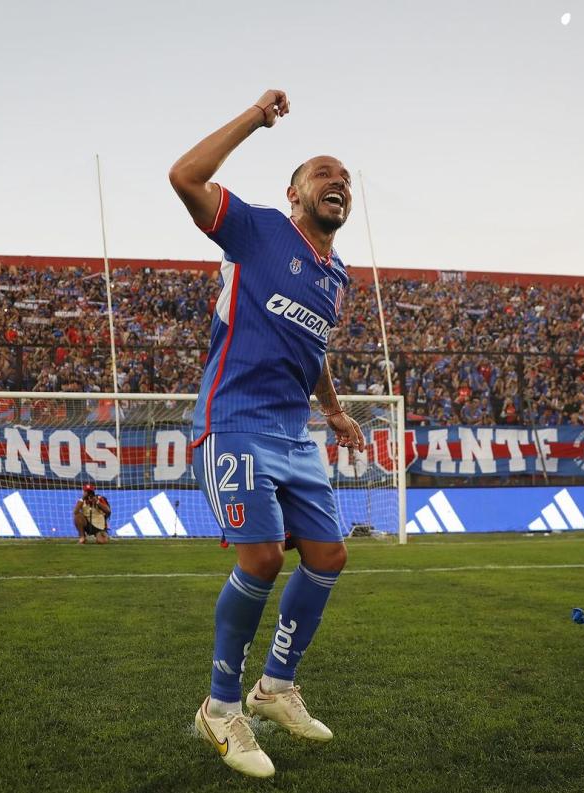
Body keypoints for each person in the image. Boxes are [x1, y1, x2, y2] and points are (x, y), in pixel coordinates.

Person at [169, 88, 365, 779]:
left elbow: (311, 350)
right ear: (293, 193)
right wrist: (256, 117)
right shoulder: (257, 231)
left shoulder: (337, 276)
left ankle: (275, 686)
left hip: (292, 434)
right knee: (260, 560)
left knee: (330, 555)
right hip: (235, 422)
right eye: (321, 173)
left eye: (343, 177)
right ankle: (221, 705)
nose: (335, 181)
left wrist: (334, 409)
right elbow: (184, 178)